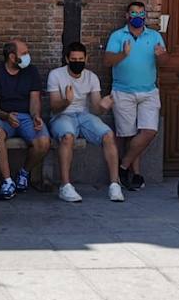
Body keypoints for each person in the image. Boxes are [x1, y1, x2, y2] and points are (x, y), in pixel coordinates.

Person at [46, 42, 124, 204]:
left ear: (86, 59)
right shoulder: (56, 75)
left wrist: (103, 107)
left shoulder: (91, 77)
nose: (77, 62)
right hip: (62, 115)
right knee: (67, 136)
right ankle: (65, 186)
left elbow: (96, 108)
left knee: (108, 134)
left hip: (84, 115)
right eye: (74, 59)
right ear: (67, 59)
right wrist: (66, 101)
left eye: (81, 59)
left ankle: (115, 184)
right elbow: (53, 106)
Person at [102, 0, 166, 191]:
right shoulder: (117, 36)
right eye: (133, 13)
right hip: (123, 91)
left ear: (144, 16)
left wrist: (161, 55)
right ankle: (135, 174)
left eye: (140, 14)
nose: (137, 17)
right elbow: (107, 61)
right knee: (129, 134)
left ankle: (122, 166)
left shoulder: (154, 36)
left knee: (149, 131)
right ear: (127, 16)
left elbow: (165, 62)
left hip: (149, 91)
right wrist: (123, 53)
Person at [0, 38, 49, 200]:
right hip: (2, 115)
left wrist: (36, 116)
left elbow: (35, 99)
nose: (27, 56)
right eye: (24, 53)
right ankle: (7, 181)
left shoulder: (31, 71)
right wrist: (5, 115)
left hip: (26, 116)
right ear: (11, 57)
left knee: (43, 142)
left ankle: (24, 172)